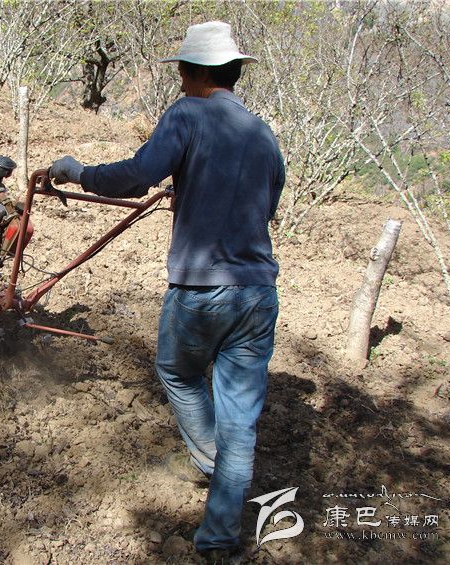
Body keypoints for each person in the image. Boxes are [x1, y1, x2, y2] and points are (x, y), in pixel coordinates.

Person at [49, 21, 285, 561]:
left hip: (202, 288)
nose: (179, 79)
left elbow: (139, 175)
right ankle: (220, 534)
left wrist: (77, 171)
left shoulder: (187, 115)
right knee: (241, 421)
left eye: (182, 70)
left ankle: (208, 459)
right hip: (257, 293)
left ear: (199, 72)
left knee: (177, 371)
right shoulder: (263, 135)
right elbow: (264, 206)